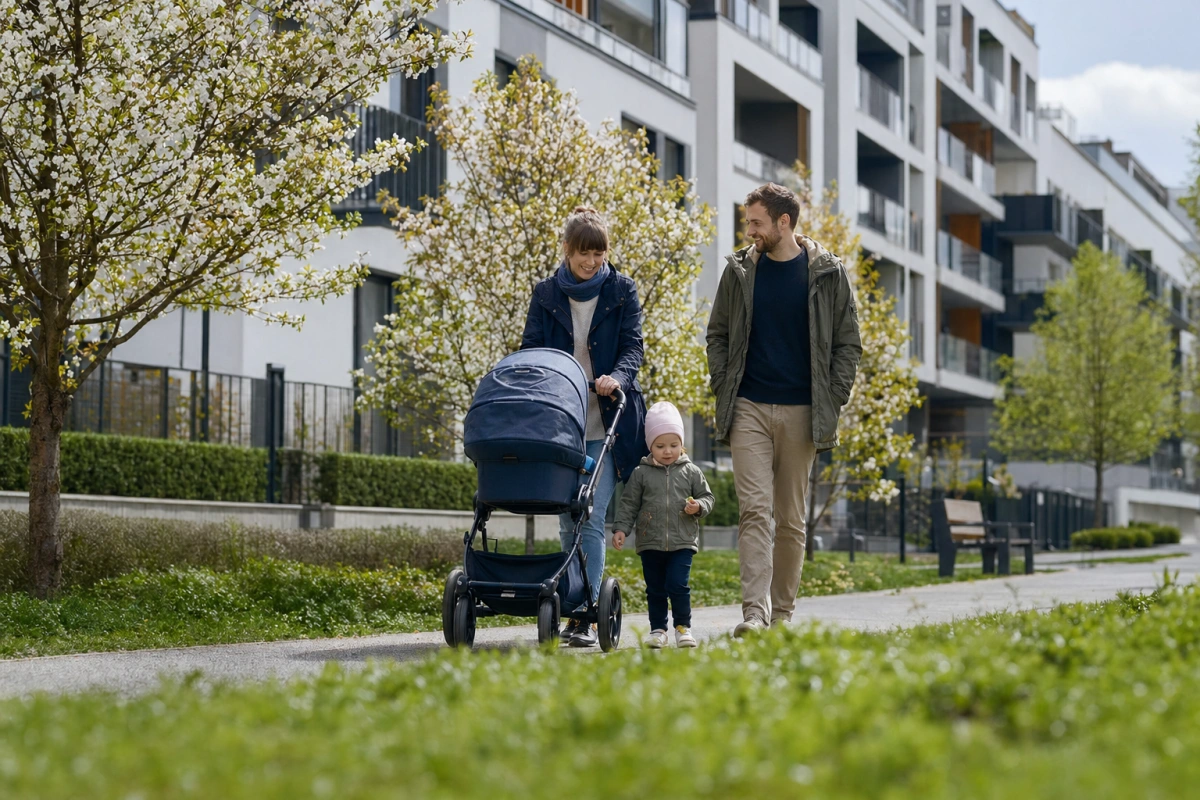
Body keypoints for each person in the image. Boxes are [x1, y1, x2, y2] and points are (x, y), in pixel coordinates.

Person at [705, 183, 862, 637]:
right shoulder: (739, 271)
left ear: (784, 222)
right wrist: (723, 383)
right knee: (755, 510)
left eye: (756, 222)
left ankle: (783, 615)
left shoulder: (827, 274)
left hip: (802, 411)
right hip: (748, 406)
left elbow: (848, 345)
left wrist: (831, 397)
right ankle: (754, 614)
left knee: (791, 519)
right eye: (748, 221)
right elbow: (717, 334)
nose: (749, 230)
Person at [522, 206, 648, 648]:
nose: (591, 262)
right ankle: (571, 602)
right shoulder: (546, 294)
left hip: (607, 420)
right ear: (566, 250)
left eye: (598, 253)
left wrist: (619, 376)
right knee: (565, 522)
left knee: (589, 517)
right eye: (583, 254)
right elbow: (531, 349)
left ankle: (586, 614)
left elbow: (634, 346)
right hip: (561, 421)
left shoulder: (621, 289)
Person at [612, 401, 715, 649]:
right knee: (656, 588)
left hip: (683, 540)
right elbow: (628, 504)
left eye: (673, 445)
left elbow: (708, 497)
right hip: (650, 541)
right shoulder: (641, 473)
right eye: (660, 446)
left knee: (678, 585)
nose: (667, 451)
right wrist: (621, 529)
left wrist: (698, 507)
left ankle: (682, 627)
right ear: (650, 446)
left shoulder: (691, 471)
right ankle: (658, 629)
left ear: (682, 444)